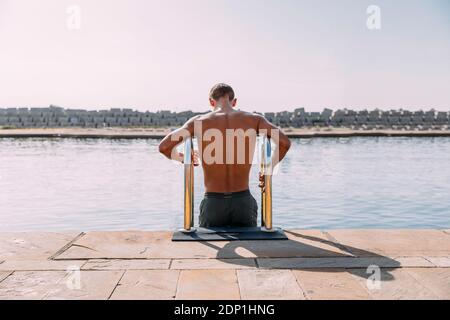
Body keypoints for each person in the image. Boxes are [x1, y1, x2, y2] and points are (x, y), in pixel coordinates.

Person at [159, 83, 291, 227]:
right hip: (243, 201)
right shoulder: (255, 120)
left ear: (211, 101)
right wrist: (268, 170)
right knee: (253, 245)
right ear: (234, 101)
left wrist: (183, 157)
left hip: (213, 203)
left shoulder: (198, 122)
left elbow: (164, 147)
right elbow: (284, 143)